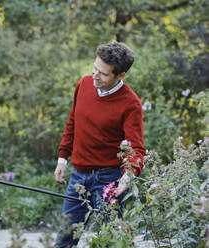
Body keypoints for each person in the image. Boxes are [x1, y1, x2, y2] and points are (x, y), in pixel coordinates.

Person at [54, 42, 145, 247]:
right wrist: (62, 159)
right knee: (64, 240)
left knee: (109, 241)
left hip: (109, 180)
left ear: (120, 76)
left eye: (102, 74)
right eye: (94, 68)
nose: (94, 76)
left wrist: (127, 178)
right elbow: (73, 122)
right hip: (77, 175)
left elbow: (137, 149)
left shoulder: (130, 104)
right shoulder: (84, 85)